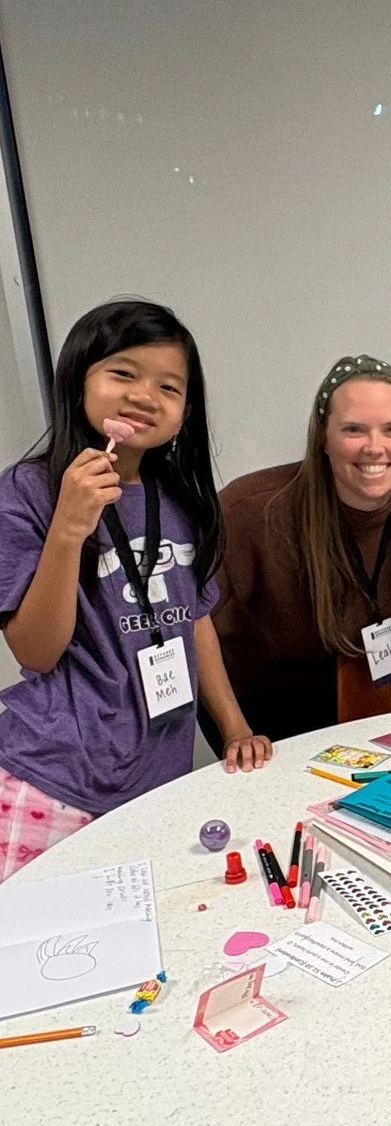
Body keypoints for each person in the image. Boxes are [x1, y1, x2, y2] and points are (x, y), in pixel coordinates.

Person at [0, 300, 269, 880]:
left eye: (169, 387)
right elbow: (35, 650)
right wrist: (70, 528)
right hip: (52, 777)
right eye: (123, 373)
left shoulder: (181, 499)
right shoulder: (27, 491)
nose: (145, 396)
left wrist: (235, 727)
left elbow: (194, 622)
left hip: (155, 780)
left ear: (184, 412)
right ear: (78, 380)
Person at [209, 354, 391, 743]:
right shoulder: (247, 514)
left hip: (374, 702)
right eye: (354, 430)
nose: (374, 447)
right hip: (262, 716)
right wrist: (234, 730)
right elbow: (191, 627)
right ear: (323, 439)